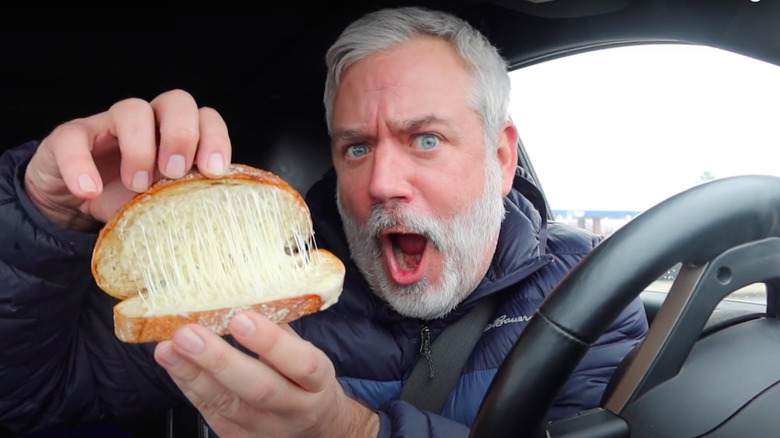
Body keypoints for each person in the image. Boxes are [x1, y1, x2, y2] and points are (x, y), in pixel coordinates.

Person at [0, 6, 648, 438]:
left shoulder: (590, 290)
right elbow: (30, 400)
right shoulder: (251, 288)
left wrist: (357, 432)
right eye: (356, 148)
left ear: (501, 157)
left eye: (424, 139)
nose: (381, 183)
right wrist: (42, 214)